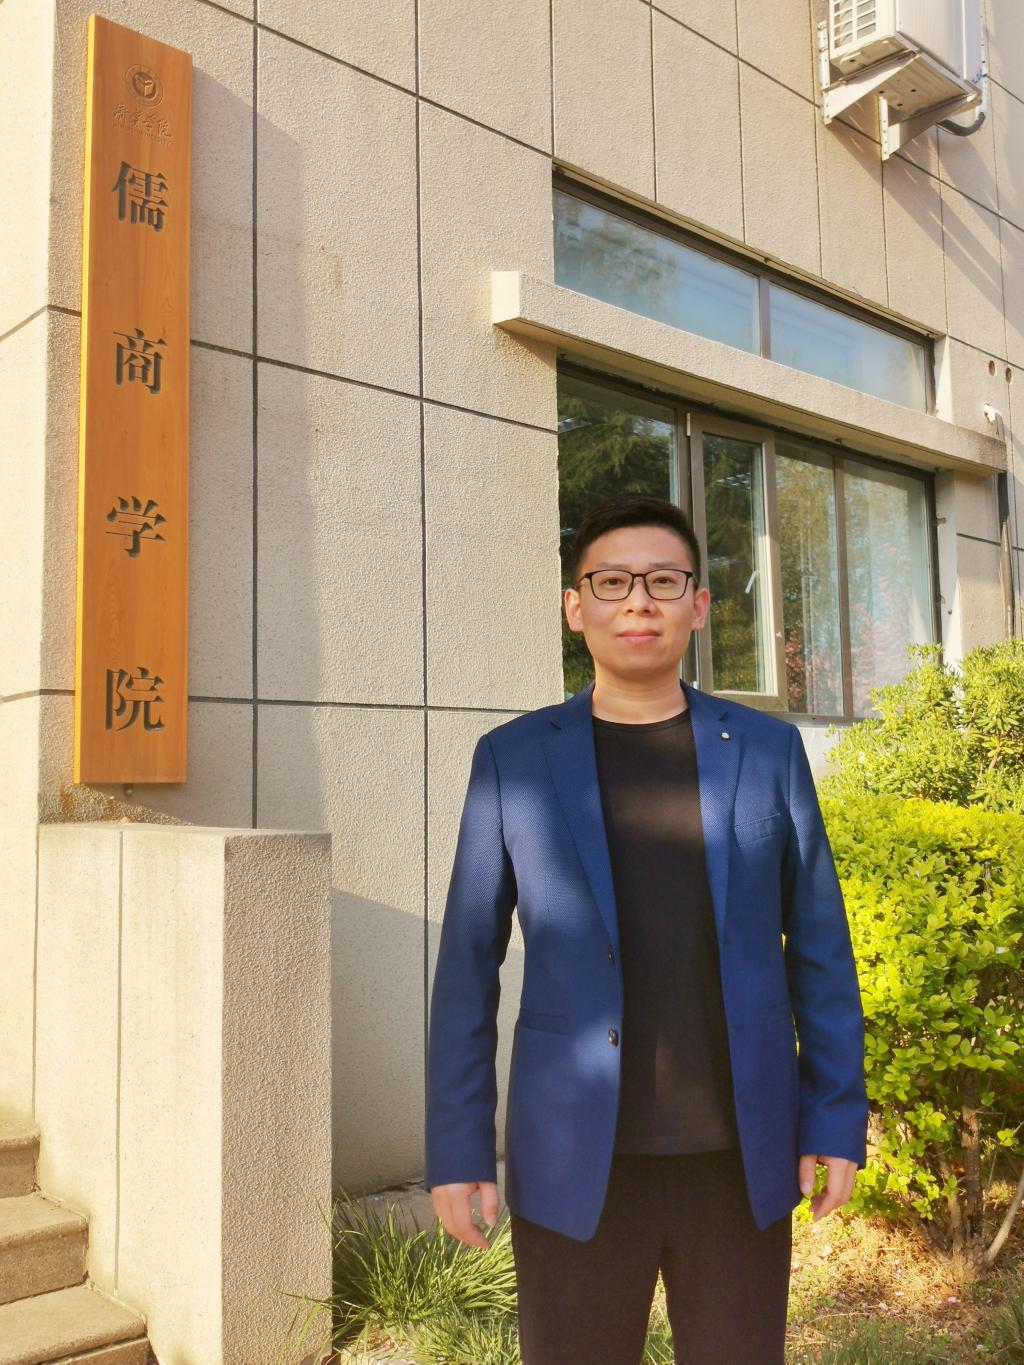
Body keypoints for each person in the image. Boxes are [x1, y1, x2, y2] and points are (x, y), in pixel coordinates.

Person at [424, 494, 868, 1364]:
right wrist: (457, 1145)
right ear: (575, 605)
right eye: (612, 581)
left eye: (663, 581)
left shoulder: (767, 752)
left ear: (698, 605)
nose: (638, 601)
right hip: (573, 1159)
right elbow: (467, 965)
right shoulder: (514, 759)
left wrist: (833, 1116)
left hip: (737, 1161)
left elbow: (820, 946)